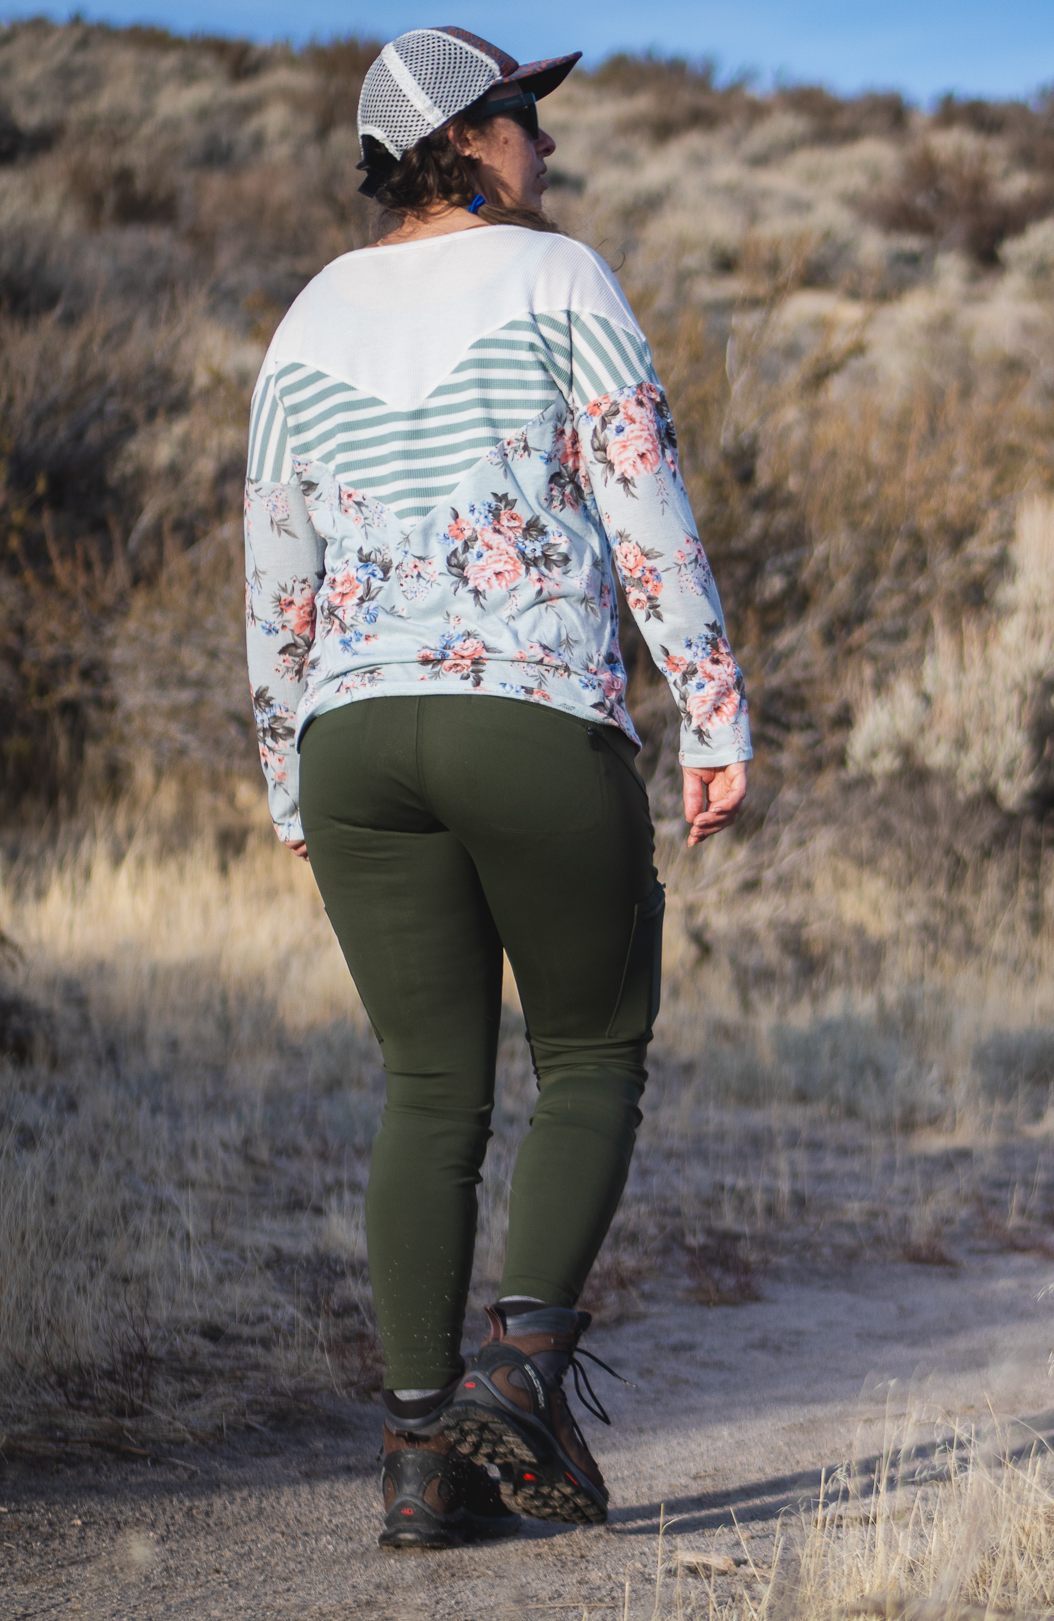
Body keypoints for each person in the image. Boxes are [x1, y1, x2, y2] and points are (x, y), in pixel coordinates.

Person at [240, 26, 751, 1550]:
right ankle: (519, 1378)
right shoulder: (562, 279)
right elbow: (643, 498)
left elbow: (278, 581)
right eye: (526, 113)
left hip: (353, 745)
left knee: (427, 1091)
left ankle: (415, 1462)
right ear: (459, 136)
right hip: (525, 713)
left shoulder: (305, 319)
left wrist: (287, 775)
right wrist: (713, 707)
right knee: (593, 1049)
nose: (548, 139)